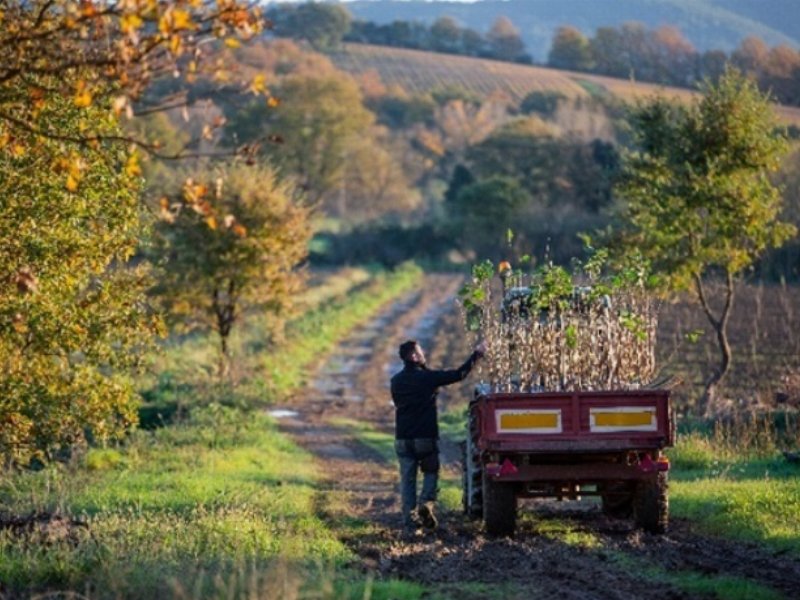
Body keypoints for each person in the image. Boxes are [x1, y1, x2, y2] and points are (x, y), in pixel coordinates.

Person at [390, 339, 486, 536]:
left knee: (407, 480)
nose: (423, 353)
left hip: (402, 438)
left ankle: (410, 523)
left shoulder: (395, 381)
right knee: (430, 472)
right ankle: (426, 502)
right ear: (414, 356)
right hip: (425, 436)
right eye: (420, 351)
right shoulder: (427, 378)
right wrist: (477, 354)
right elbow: (459, 374)